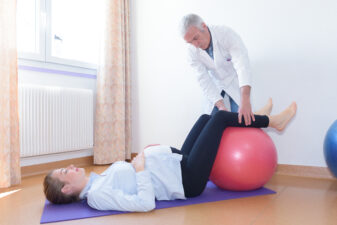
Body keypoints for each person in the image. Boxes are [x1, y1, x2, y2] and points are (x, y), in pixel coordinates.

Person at [43, 101, 297, 212]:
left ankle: (251, 122)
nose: (72, 166)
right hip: (187, 180)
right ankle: (271, 122)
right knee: (219, 118)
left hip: (177, 162)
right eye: (66, 172)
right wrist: (140, 169)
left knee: (207, 117)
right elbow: (144, 204)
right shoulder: (98, 196)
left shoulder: (99, 181)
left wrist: (140, 162)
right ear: (66, 190)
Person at [180, 14, 255, 126]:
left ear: (204, 26)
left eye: (195, 38)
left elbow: (242, 65)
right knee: (211, 123)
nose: (195, 45)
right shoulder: (192, 52)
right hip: (215, 85)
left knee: (243, 121)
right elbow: (203, 80)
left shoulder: (225, 34)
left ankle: (272, 120)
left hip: (235, 82)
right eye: (190, 42)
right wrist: (220, 105)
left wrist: (245, 99)